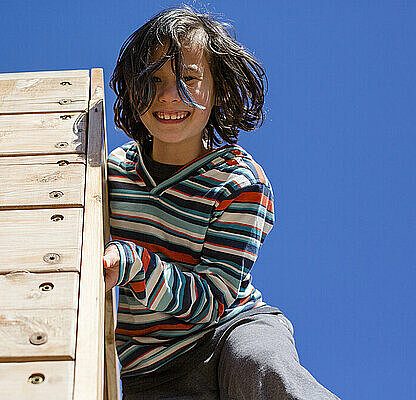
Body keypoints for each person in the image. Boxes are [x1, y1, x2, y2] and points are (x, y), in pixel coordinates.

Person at [102, 6, 340, 400]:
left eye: (189, 79)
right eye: (154, 79)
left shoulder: (241, 183)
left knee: (264, 367)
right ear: (131, 88)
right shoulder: (109, 176)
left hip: (228, 331)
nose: (168, 95)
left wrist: (135, 264)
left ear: (218, 89)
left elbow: (212, 299)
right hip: (149, 369)